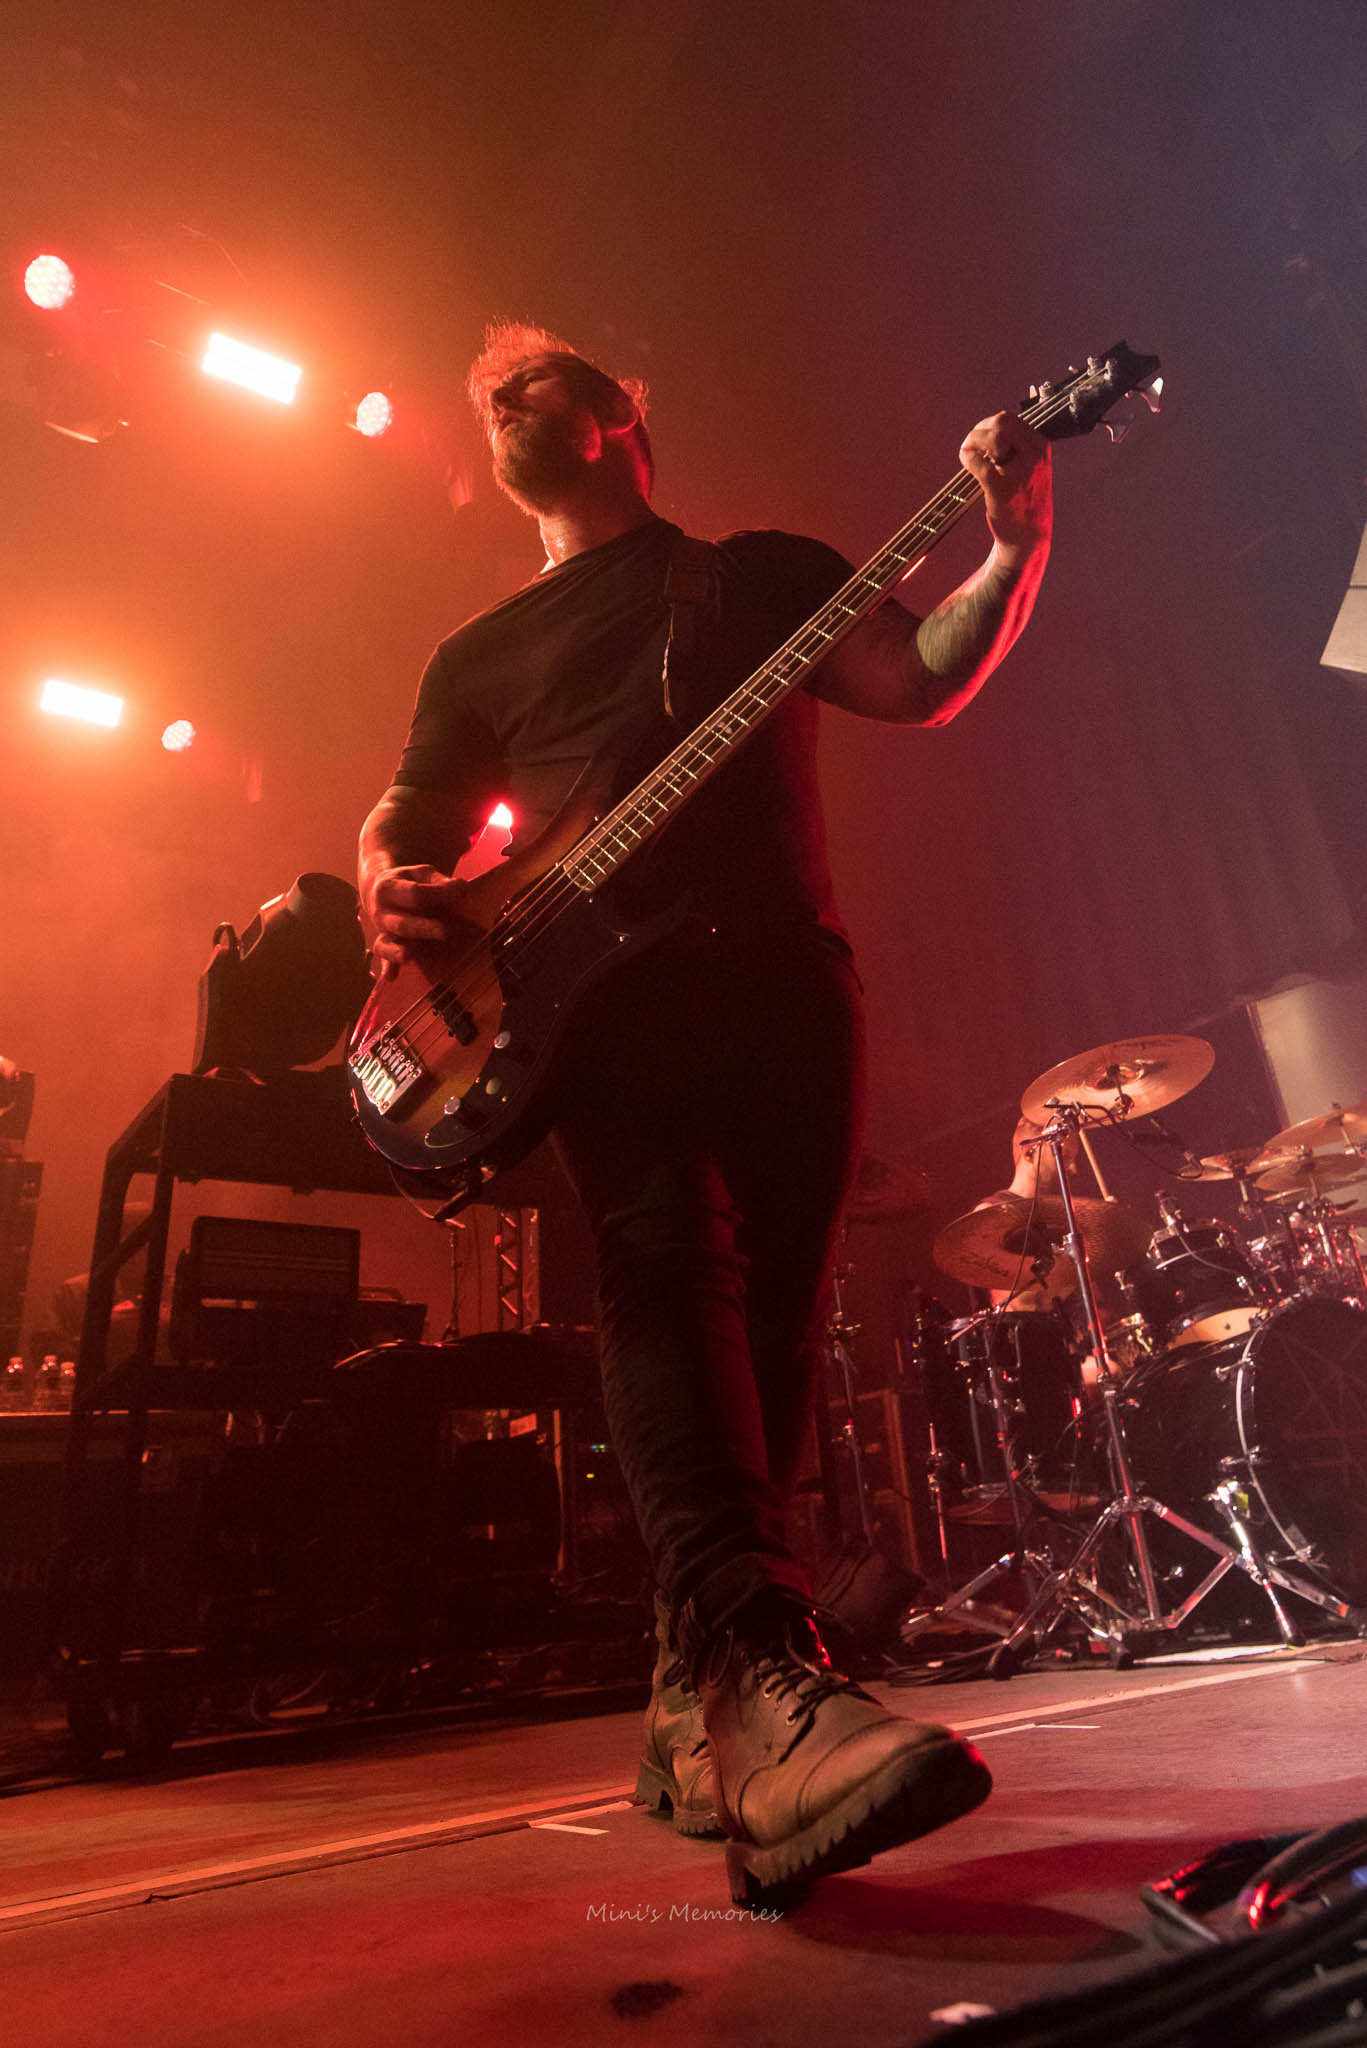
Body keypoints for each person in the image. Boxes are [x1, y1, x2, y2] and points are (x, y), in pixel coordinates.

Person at [358, 320, 1052, 1899]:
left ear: (617, 414)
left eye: (531, 376)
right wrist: (390, 879)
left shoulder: (757, 577)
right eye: (486, 394)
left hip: (789, 979)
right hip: (594, 1001)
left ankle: (694, 1710)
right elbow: (405, 818)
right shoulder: (477, 655)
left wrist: (1012, 546)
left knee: (781, 1326)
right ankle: (763, 1676)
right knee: (666, 1269)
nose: (497, 396)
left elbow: (919, 677)